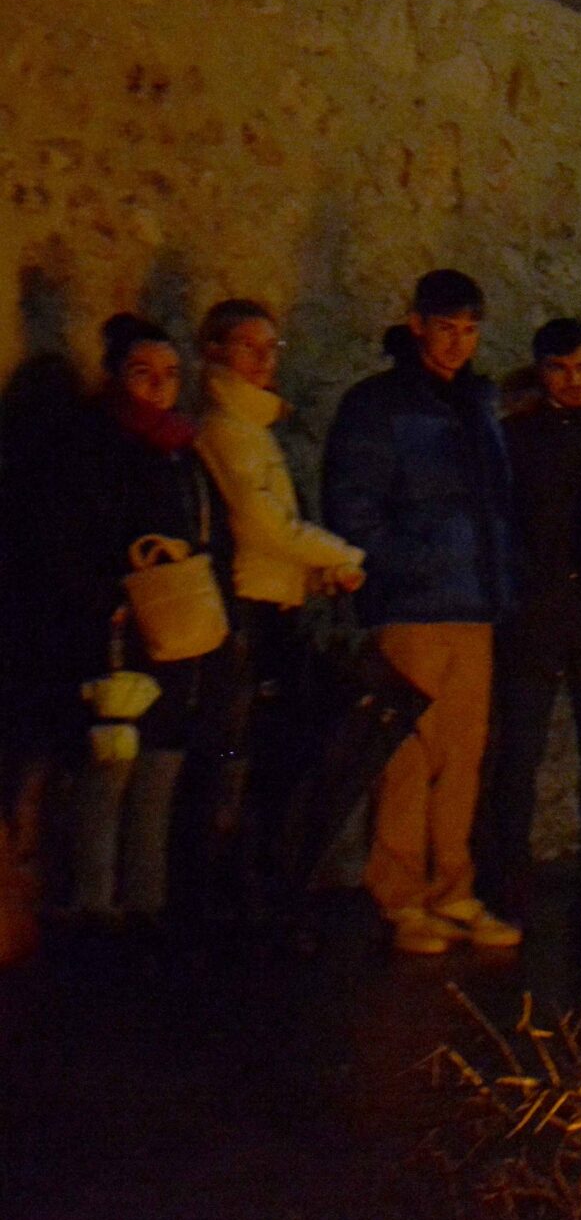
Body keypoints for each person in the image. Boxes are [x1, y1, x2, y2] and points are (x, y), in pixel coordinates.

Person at [321, 270, 520, 957]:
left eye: (469, 330)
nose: (457, 344)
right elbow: (354, 505)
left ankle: (452, 887)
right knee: (409, 753)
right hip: (415, 603)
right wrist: (412, 563)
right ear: (416, 326)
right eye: (445, 328)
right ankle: (400, 891)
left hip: (474, 603)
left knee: (463, 754)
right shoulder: (378, 406)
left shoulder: (475, 402)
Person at [55, 315, 242, 929]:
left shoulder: (179, 450)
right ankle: (96, 901)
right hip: (116, 628)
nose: (159, 387)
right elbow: (73, 538)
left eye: (169, 374)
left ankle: (146, 897)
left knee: (162, 759)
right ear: (115, 377)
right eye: (143, 374)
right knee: (113, 763)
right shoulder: (93, 449)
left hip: (177, 625)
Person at [192, 298, 366, 913]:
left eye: (272, 347)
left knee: (274, 757)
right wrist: (343, 557)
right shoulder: (228, 430)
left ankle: (259, 889)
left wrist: (317, 574)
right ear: (214, 351)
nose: (265, 360)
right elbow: (266, 528)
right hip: (250, 615)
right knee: (243, 761)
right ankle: (236, 899)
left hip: (272, 606)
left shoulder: (251, 428)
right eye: (248, 345)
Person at [480, 317, 581, 931]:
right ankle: (504, 883)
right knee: (517, 754)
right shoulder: (516, 438)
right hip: (534, 614)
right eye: (560, 370)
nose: (573, 381)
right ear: (541, 373)